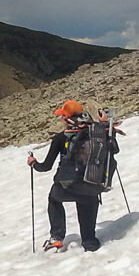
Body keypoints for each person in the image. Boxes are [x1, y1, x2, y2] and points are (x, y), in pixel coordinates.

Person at [28, 100, 116, 252]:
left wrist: (33, 163)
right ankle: (91, 247)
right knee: (89, 237)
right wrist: (105, 124)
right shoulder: (99, 132)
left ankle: (56, 237)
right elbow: (113, 150)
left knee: (54, 198)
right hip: (93, 185)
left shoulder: (61, 138)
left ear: (66, 118)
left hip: (68, 186)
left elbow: (46, 166)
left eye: (62, 116)